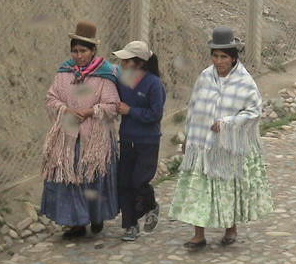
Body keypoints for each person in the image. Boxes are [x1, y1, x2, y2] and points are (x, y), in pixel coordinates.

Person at [169, 27, 274, 251]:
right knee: (199, 187)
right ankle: (198, 235)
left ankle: (230, 228)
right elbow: (194, 107)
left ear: (233, 58)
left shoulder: (245, 83)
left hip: (228, 147)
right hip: (203, 144)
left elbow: (254, 112)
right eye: (215, 56)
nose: (218, 61)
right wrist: (188, 136)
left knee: (228, 188)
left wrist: (228, 123)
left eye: (223, 57)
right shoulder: (205, 77)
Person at [41, 21, 120, 239]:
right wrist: (65, 109)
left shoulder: (105, 75)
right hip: (68, 138)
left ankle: (96, 216)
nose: (78, 55)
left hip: (95, 139)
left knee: (92, 178)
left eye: (83, 51)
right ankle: (75, 223)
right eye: (74, 50)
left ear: (93, 51)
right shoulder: (64, 73)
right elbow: (51, 98)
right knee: (69, 178)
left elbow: (112, 106)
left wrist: (90, 111)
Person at [112, 41, 166, 241]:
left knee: (139, 181)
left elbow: (155, 114)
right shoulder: (123, 80)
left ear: (139, 63)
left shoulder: (154, 84)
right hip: (126, 139)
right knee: (124, 182)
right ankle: (130, 225)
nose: (122, 64)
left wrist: (130, 111)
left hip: (147, 141)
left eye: (126, 60)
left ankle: (150, 205)